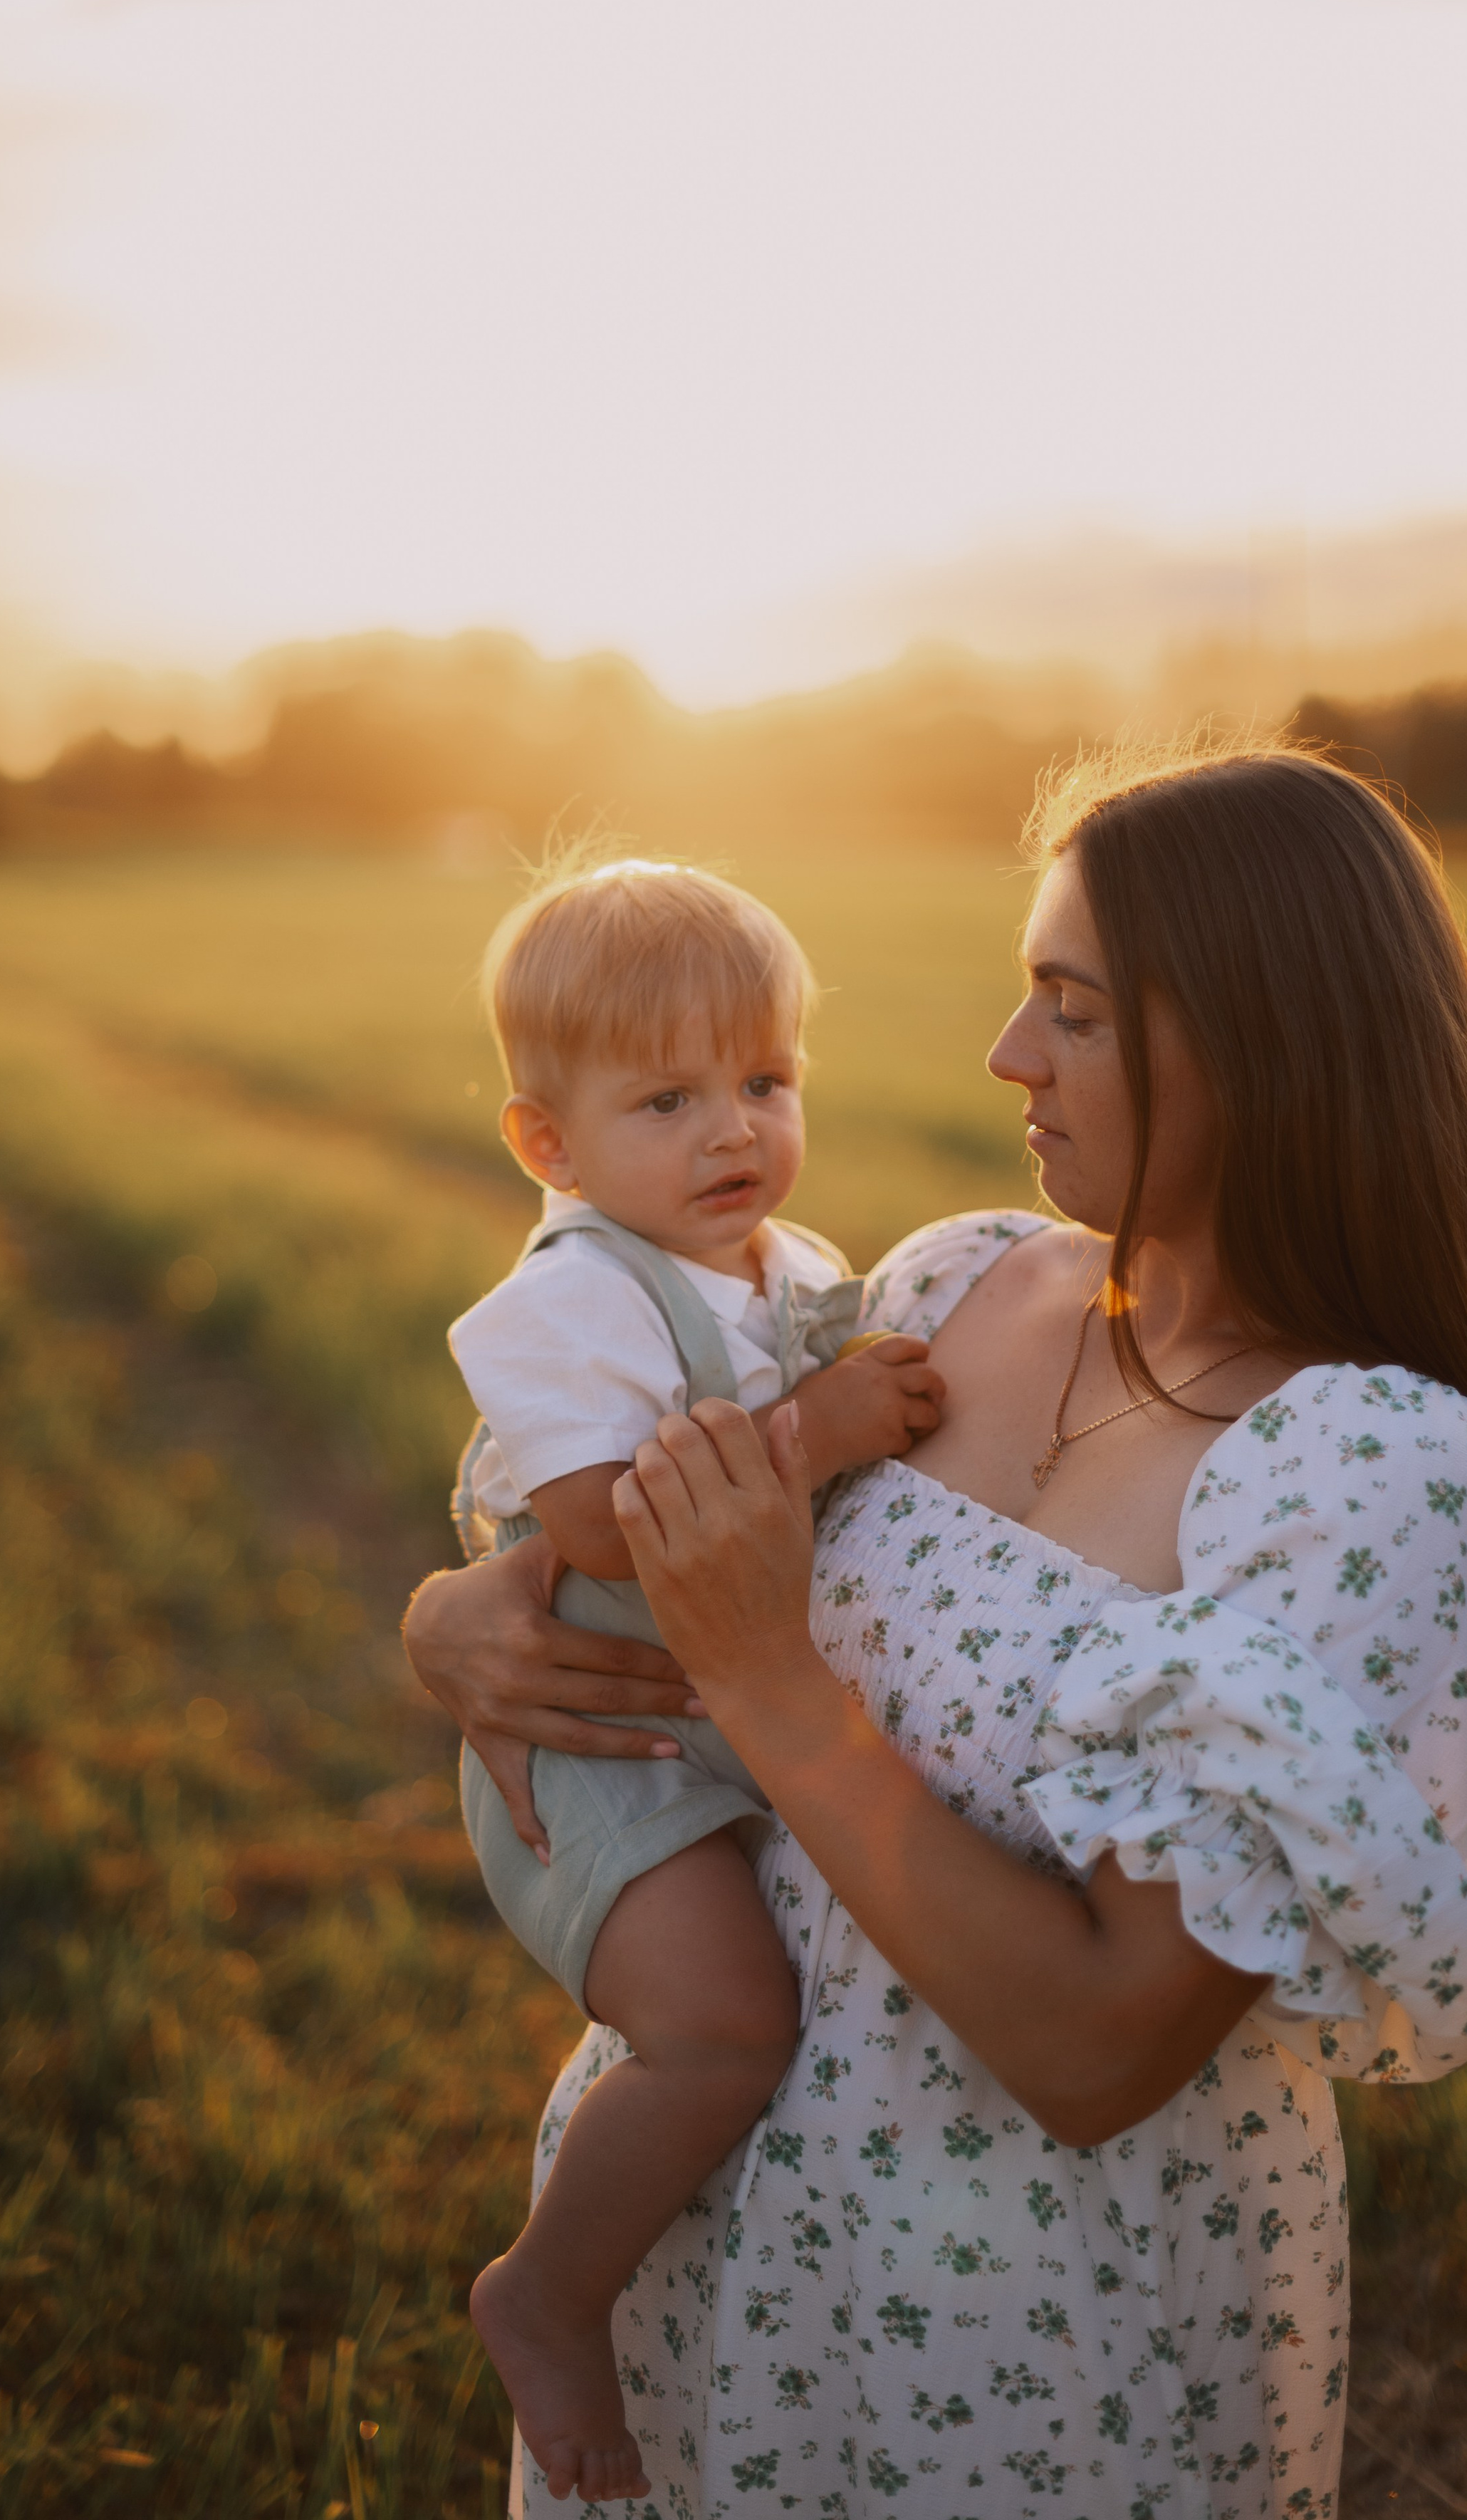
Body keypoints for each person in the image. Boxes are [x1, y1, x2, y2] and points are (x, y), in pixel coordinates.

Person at [406, 742, 1467, 2520]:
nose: (1005, 1056)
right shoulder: (960, 1282)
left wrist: (765, 1678)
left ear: (1258, 1040)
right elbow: (661, 1477)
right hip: (706, 2217)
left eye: (1073, 1010)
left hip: (1026, 2331)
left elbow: (1100, 2048)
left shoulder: (1367, 1473)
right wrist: (462, 1612)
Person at [448, 856, 947, 2505]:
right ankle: (548, 2293)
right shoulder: (568, 1294)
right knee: (726, 2030)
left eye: (763, 1080)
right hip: (607, 1748)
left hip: (718, 1719)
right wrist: (816, 1432)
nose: (731, 1128)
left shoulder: (785, 1265)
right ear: (549, 1144)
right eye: (667, 1097)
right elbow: (597, 1514)